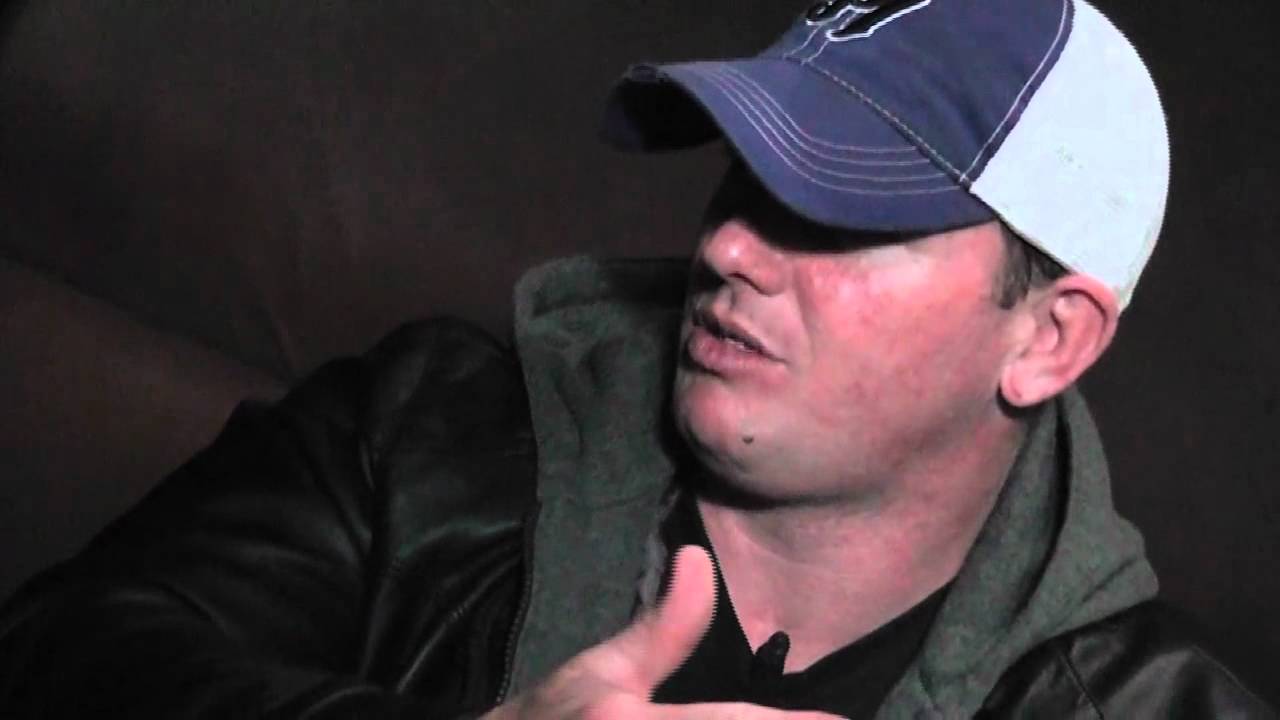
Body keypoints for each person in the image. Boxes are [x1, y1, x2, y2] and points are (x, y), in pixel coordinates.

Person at [0, 0, 1273, 717]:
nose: (726, 244)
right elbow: (56, 654)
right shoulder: (428, 435)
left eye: (842, 214)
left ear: (1046, 338)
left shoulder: (1162, 708)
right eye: (743, 179)